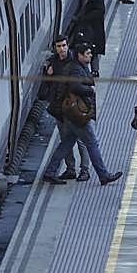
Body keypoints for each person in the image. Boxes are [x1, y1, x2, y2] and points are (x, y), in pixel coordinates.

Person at [40, 42, 123, 186]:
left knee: (66, 143)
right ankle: (103, 175)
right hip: (76, 114)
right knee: (92, 143)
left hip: (70, 113)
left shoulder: (77, 66)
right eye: (88, 54)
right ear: (80, 55)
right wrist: (90, 90)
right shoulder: (76, 69)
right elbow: (75, 86)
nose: (91, 56)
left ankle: (49, 172)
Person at [38, 36, 90, 180]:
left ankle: (85, 170)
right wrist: (47, 75)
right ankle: (71, 169)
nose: (62, 49)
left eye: (64, 45)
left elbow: (87, 81)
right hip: (61, 110)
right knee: (65, 140)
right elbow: (45, 89)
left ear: (68, 46)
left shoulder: (76, 62)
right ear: (55, 48)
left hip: (76, 109)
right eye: (59, 46)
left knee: (81, 141)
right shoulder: (53, 63)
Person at [70, 0, 106, 77]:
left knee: (92, 50)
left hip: (93, 29)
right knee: (90, 49)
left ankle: (95, 71)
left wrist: (85, 18)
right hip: (90, 28)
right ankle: (93, 70)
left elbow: (100, 11)